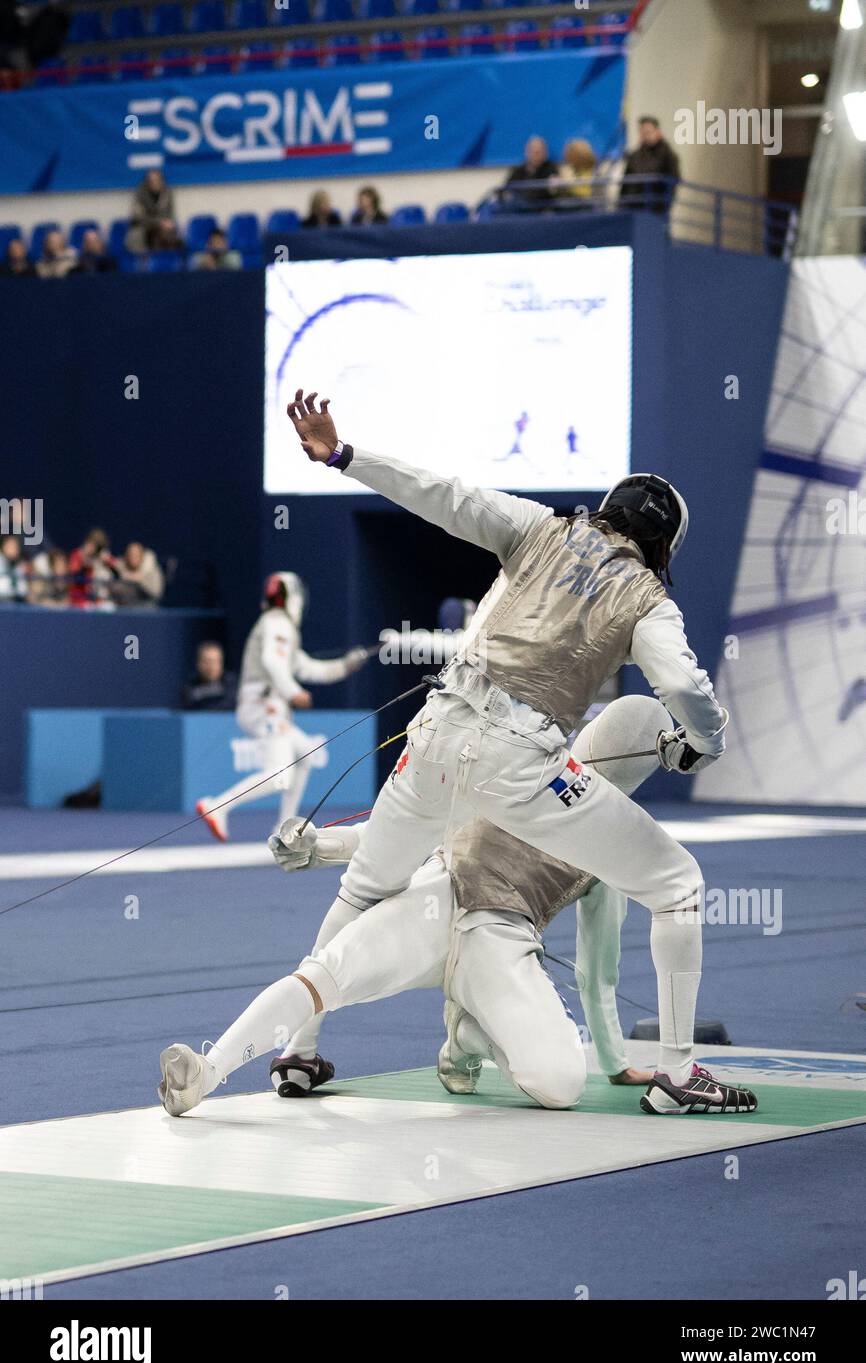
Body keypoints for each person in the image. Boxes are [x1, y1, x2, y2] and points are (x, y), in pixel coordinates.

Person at [281, 389, 747, 1118]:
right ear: (665, 546)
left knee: (365, 890)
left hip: (434, 737)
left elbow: (444, 495)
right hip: (524, 766)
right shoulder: (648, 598)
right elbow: (684, 686)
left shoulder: (540, 527)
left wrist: (344, 455)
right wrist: (704, 744)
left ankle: (297, 1053)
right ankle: (679, 1075)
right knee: (676, 882)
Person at [158, 697, 712, 1116]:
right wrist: (323, 844)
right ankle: (207, 1072)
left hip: (498, 942)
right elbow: (413, 832)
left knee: (559, 1084)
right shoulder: (534, 774)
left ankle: (467, 1035)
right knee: (322, 975)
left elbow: (596, 973)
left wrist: (616, 1065)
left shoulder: (594, 832)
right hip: (438, 899)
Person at [195, 571, 369, 840]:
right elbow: (272, 662)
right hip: (264, 705)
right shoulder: (277, 623)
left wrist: (346, 665)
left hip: (266, 705)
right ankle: (217, 806)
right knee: (280, 774)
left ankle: (283, 827)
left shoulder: (278, 627)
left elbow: (310, 668)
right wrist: (293, 691)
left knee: (305, 755)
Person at [621, 116, 680, 214]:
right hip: (633, 208)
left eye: (648, 131)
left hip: (656, 208)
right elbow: (625, 183)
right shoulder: (634, 155)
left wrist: (664, 205)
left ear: (657, 132)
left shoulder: (668, 155)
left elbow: (673, 179)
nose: (645, 135)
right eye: (643, 132)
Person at [126, 170, 184, 254]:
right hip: (143, 229)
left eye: (157, 180)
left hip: (163, 229)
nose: (155, 183)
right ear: (147, 182)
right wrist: (159, 222)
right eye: (151, 181)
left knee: (175, 238)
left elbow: (171, 215)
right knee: (141, 236)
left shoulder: (167, 193)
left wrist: (168, 223)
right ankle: (147, 263)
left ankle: (170, 262)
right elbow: (138, 217)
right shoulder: (140, 194)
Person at [504, 136, 559, 209]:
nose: (536, 155)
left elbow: (552, 192)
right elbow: (506, 188)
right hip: (520, 209)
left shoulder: (551, 169)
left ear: (545, 153)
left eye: (539, 152)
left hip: (541, 209)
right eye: (534, 152)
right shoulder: (518, 170)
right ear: (527, 152)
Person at [182, 641, 238, 712]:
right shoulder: (190, 687)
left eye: (215, 662)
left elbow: (229, 705)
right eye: (207, 662)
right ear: (198, 663)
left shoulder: (232, 684)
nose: (211, 667)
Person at [67, 528, 114, 607]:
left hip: (98, 599)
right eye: (91, 543)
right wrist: (84, 562)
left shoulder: (102, 556)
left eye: (96, 545)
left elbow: (116, 568)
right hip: (79, 598)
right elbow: (73, 572)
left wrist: (105, 561)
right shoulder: (77, 554)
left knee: (109, 607)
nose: (92, 547)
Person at [110, 540, 164, 605]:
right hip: (125, 610)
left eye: (136, 555)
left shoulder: (152, 572)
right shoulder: (120, 568)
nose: (133, 558)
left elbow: (156, 594)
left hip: (147, 609)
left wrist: (140, 580)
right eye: (130, 555)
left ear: (142, 556)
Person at [559, 139, 597, 204]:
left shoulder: (589, 172)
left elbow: (585, 194)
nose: (567, 158)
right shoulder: (573, 170)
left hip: (585, 207)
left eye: (570, 155)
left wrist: (567, 182)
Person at [0, 533, 28, 601]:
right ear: (3, 547)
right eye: (10, 546)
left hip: (18, 602)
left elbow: (23, 590)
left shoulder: (21, 565)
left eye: (15, 547)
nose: (13, 549)